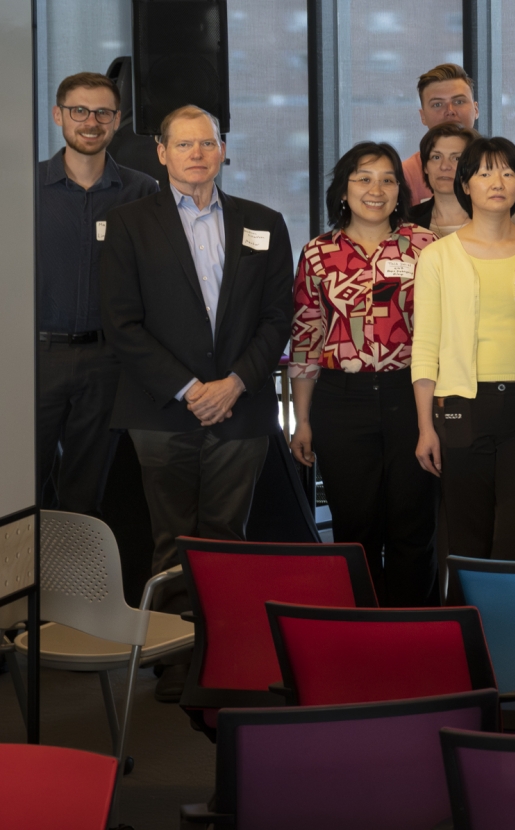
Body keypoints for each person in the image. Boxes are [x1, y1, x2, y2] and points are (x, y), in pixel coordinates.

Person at [99, 106, 293, 598]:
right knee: (172, 545)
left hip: (241, 406)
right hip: (161, 409)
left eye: (206, 143)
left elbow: (277, 317)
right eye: (183, 144)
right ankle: (173, 663)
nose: (197, 153)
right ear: (162, 153)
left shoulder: (264, 222)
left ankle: (225, 655)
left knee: (229, 542)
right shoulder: (127, 224)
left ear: (222, 151)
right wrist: (190, 390)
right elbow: (121, 323)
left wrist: (233, 384)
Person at [287, 143, 437, 605]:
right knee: (355, 527)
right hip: (340, 400)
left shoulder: (426, 247)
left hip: (409, 395)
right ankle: (365, 631)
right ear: (344, 189)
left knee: (414, 524)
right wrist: (303, 420)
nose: (377, 189)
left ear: (401, 190)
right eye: (364, 178)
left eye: (388, 179)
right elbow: (307, 336)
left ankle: (416, 632)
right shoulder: (318, 253)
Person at [412, 136, 515, 565]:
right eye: (485, 172)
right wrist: (425, 427)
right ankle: (467, 627)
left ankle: (512, 629)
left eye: (508, 171)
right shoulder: (437, 257)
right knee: (467, 536)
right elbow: (425, 344)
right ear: (464, 184)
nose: (498, 181)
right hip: (462, 406)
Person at [36, 71, 158, 516]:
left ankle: (77, 583)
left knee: (86, 494)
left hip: (107, 362)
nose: (91, 121)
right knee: (24, 489)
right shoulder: (23, 189)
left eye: (102, 112)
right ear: (58, 115)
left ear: (117, 119)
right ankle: (29, 586)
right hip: (35, 360)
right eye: (79, 111)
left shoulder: (142, 191)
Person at [401, 64, 479, 205]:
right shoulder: (405, 175)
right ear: (423, 116)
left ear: (476, 109)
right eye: (437, 104)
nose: (450, 111)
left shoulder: (501, 168)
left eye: (459, 101)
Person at [408, 121, 476, 232]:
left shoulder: (494, 220)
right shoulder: (406, 221)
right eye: (436, 157)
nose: (444, 166)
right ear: (425, 166)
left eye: (456, 158)